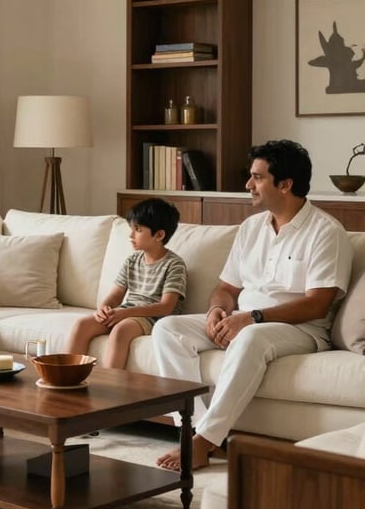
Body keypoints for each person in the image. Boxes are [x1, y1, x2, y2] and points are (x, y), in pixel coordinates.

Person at [154, 140, 353, 472]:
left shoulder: (326, 232)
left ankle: (204, 441)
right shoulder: (250, 228)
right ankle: (195, 431)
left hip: (299, 330)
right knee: (167, 329)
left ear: (285, 185)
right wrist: (217, 310)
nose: (248, 186)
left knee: (250, 338)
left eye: (257, 178)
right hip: (243, 318)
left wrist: (253, 318)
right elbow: (226, 287)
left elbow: (317, 305)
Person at [66, 197, 186, 368]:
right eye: (131, 229)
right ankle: (66, 378)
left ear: (159, 235)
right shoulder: (132, 261)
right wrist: (104, 308)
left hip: (153, 318)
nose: (131, 235)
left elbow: (166, 307)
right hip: (126, 311)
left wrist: (126, 313)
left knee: (121, 330)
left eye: (137, 230)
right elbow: (115, 296)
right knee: (82, 325)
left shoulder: (174, 264)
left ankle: (110, 386)